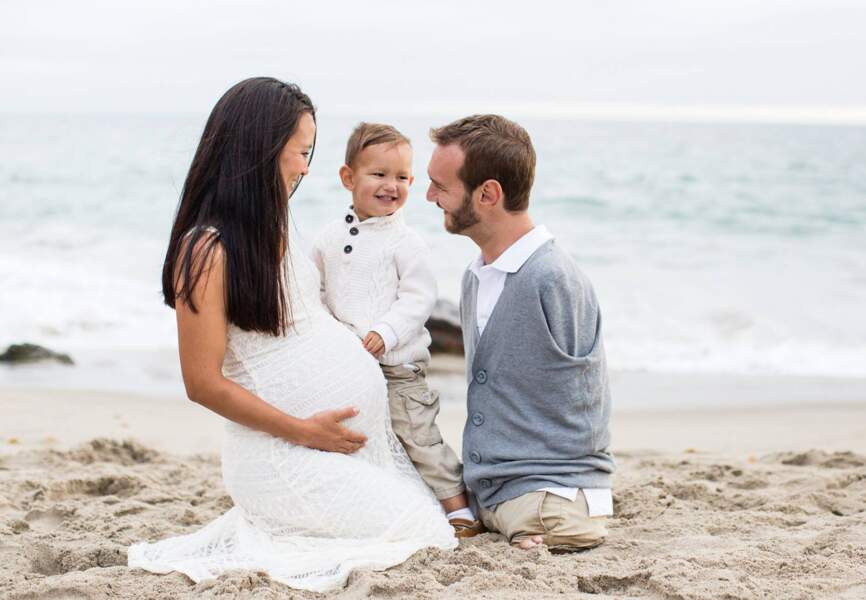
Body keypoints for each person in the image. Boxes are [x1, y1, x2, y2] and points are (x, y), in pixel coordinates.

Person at [127, 78, 456, 593]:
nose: (306, 167)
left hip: (333, 446)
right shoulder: (206, 249)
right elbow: (201, 382)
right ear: (260, 147)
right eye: (301, 151)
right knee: (423, 531)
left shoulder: (271, 225)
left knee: (426, 521)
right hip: (284, 453)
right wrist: (301, 431)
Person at [425, 114, 615, 551]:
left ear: (488, 194)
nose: (429, 195)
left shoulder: (552, 279)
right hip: (492, 489)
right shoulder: (477, 275)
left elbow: (586, 403)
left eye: (441, 185)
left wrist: (559, 509)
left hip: (548, 494)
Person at [311, 122, 480, 537]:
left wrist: (385, 332)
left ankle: (458, 505)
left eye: (402, 177)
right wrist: (327, 334)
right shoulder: (328, 238)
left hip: (397, 366)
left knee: (416, 434)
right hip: (346, 363)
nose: (392, 185)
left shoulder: (405, 241)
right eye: (379, 174)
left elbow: (418, 299)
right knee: (360, 437)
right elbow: (312, 291)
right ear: (348, 178)